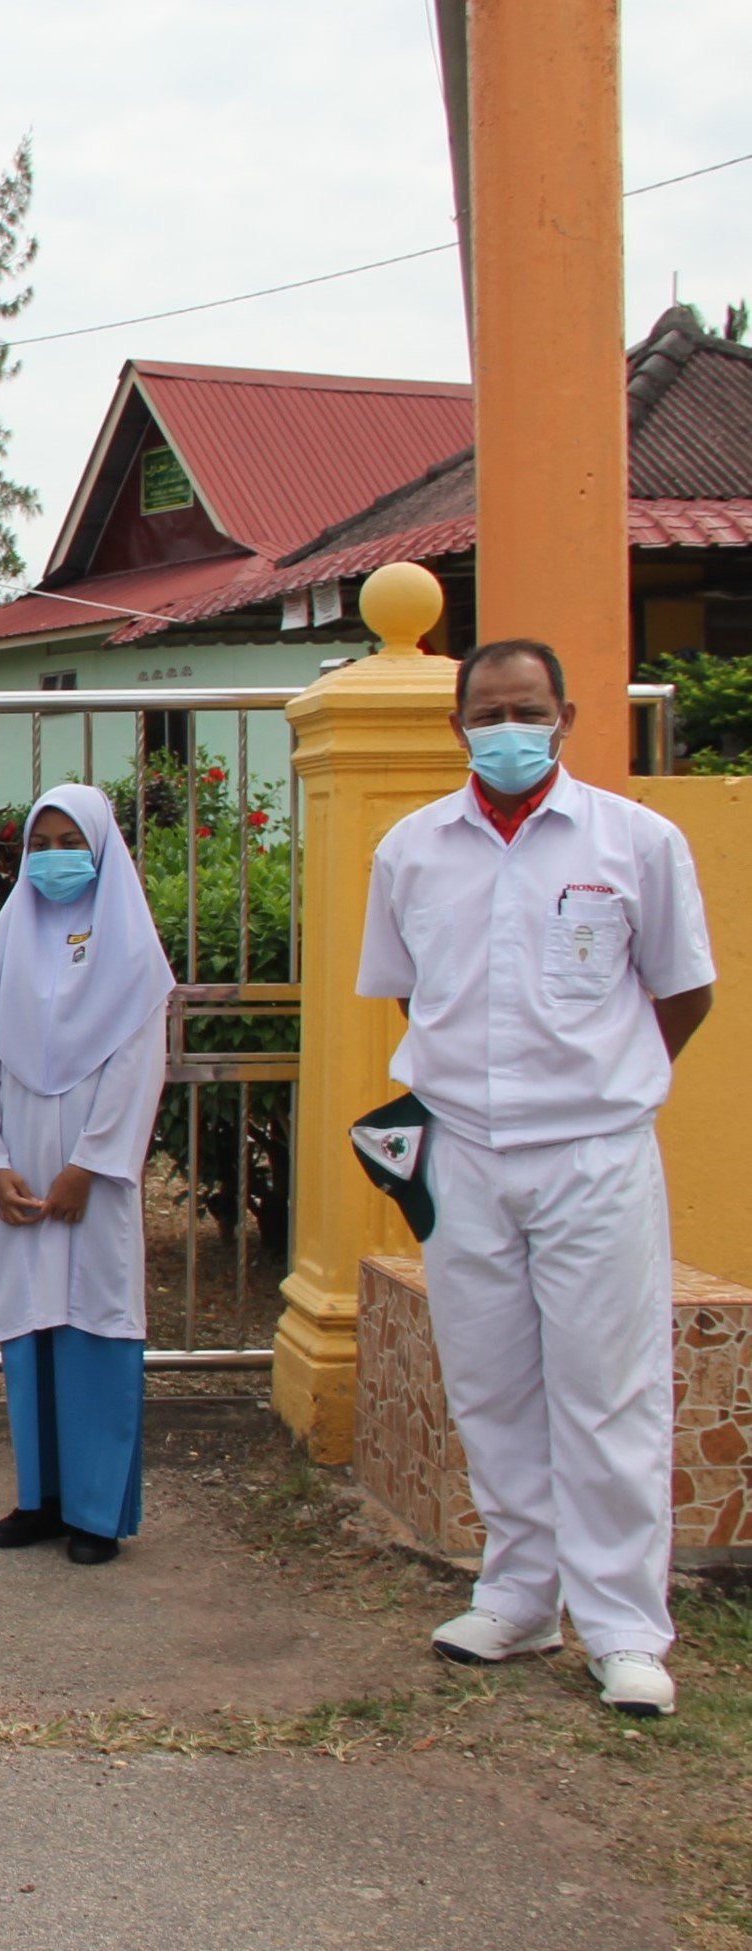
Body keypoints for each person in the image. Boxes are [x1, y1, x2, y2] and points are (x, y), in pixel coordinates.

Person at [358, 638, 715, 1718]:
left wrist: (594, 1083)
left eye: (527, 709)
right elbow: (407, 996)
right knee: (489, 1379)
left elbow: (681, 992)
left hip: (592, 1154)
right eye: (486, 711)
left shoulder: (635, 842)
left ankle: (620, 1626)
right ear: (455, 724)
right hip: (463, 1150)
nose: (507, 727)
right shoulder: (411, 850)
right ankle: (516, 1592)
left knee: (606, 1390)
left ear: (562, 714)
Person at [0, 783, 174, 1566]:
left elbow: (138, 1070)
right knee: (29, 1328)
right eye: (39, 842)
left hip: (90, 1183)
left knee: (94, 1323)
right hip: (19, 1175)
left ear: (103, 848)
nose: (52, 856)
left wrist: (91, 1166)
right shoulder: (4, 949)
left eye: (67, 840)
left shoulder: (134, 957)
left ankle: (96, 1511)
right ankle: (38, 1498)